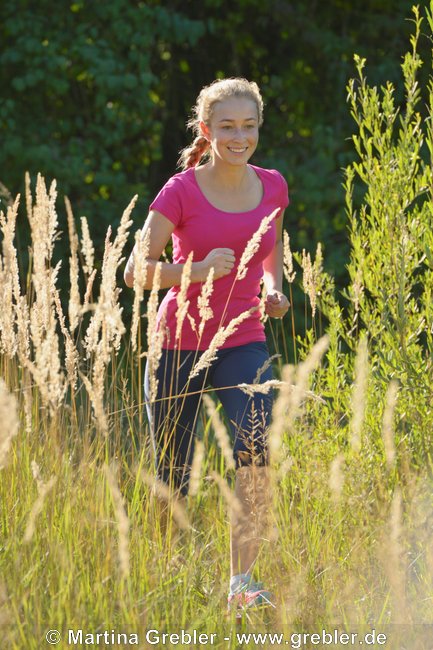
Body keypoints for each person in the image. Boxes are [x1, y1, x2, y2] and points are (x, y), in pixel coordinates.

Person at [124, 77, 289, 614]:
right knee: (173, 468)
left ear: (258, 127)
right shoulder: (181, 191)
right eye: (227, 127)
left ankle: (241, 585)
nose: (239, 136)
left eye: (249, 126)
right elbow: (135, 272)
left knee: (255, 452)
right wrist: (192, 270)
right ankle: (169, 579)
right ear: (207, 130)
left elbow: (271, 250)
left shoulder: (273, 185)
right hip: (178, 342)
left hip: (244, 337)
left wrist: (273, 289)